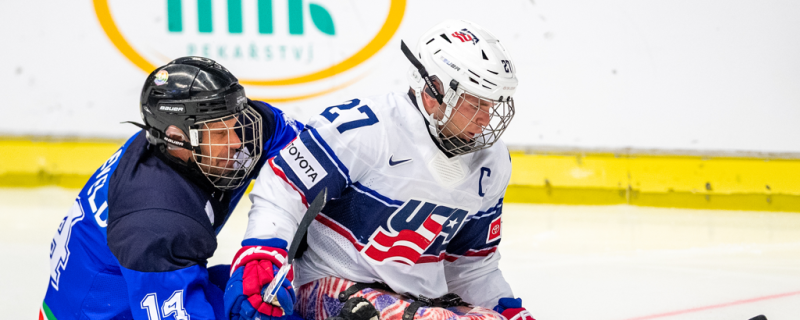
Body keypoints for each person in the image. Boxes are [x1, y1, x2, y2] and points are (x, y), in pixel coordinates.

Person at [223, 20, 536, 320]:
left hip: (417, 302)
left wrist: (504, 307)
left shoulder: (492, 162)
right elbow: (285, 187)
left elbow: (471, 266)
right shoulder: (365, 128)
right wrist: (262, 252)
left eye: (492, 105)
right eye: (475, 104)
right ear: (433, 91)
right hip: (330, 286)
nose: (486, 119)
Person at [41, 56, 303, 320]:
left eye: (236, 123)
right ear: (178, 139)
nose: (238, 142)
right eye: (221, 134)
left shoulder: (188, 141)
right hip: (97, 312)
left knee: (283, 290)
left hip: (127, 282)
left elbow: (303, 152)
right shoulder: (157, 221)